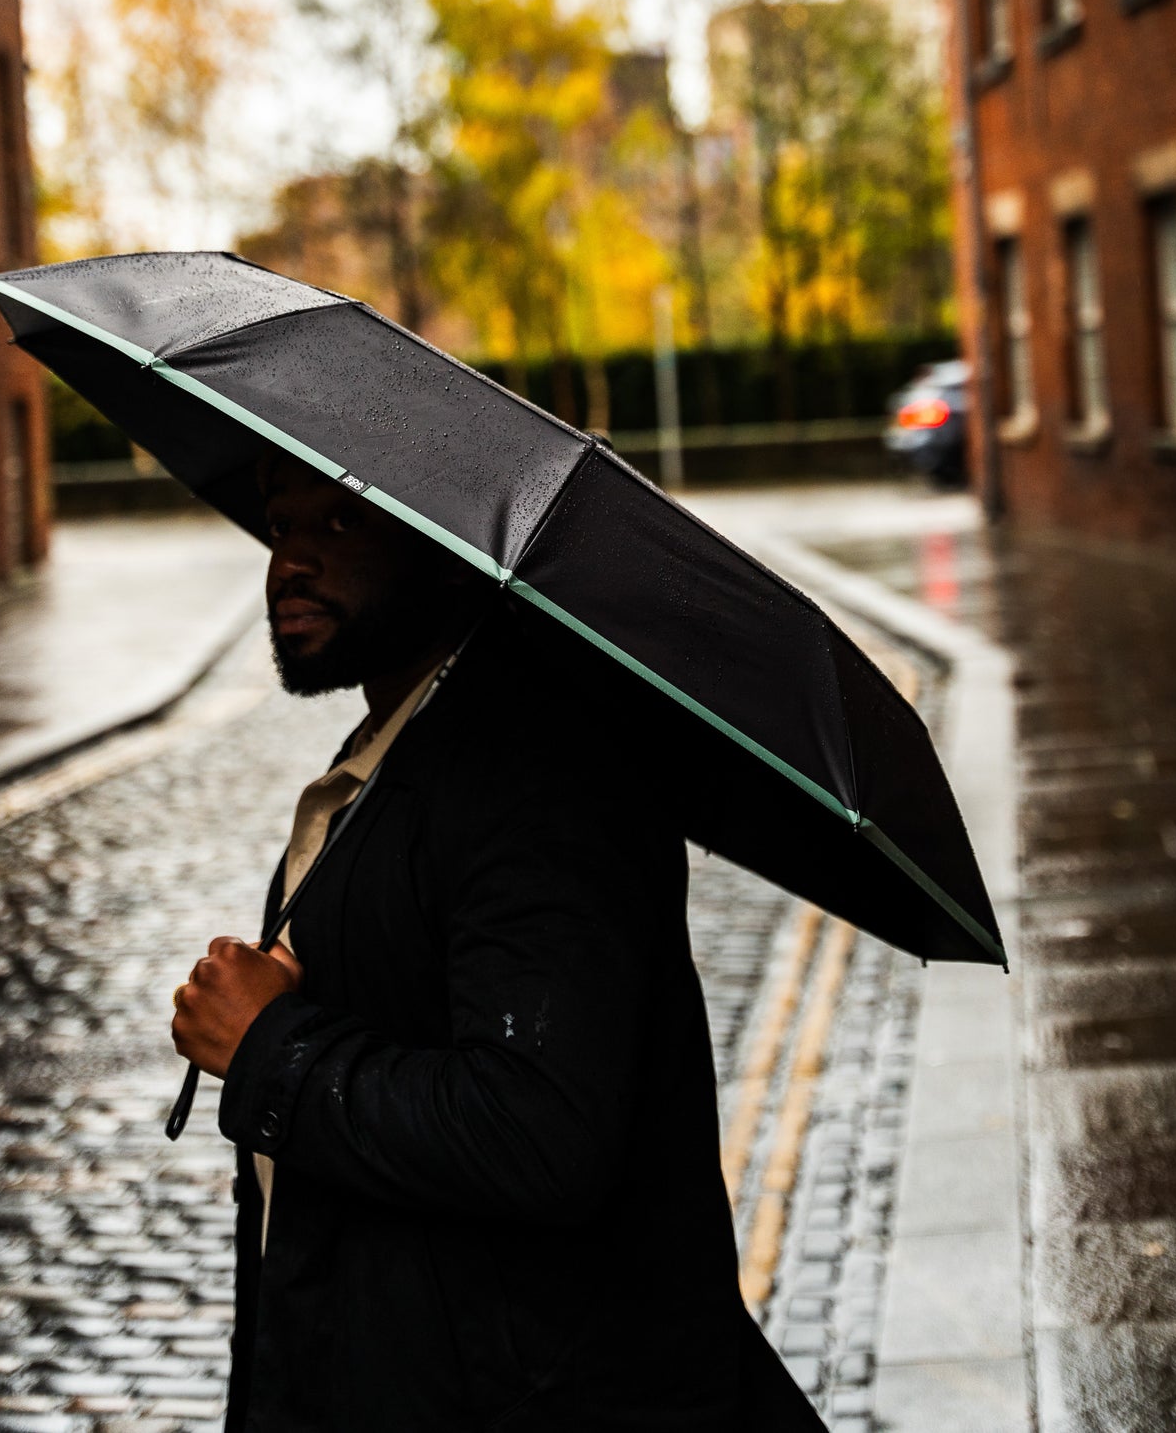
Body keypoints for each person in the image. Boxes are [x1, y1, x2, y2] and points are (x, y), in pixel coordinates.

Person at [170, 450, 825, 1432]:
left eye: (338, 525)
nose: (290, 564)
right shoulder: (402, 752)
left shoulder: (537, 771)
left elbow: (536, 1131)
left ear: (444, 542)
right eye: (280, 524)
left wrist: (271, 1046)